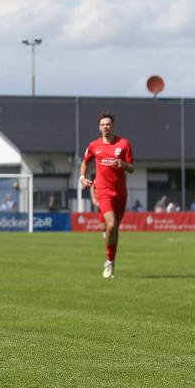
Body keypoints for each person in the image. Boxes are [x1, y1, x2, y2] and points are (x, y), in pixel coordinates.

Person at [80, 111, 134, 279]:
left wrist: (123, 164)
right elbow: (85, 162)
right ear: (99, 127)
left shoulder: (124, 144)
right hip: (103, 191)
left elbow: (132, 169)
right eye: (103, 125)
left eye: (108, 124)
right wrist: (82, 177)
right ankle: (109, 263)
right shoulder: (94, 145)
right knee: (110, 225)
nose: (105, 127)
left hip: (120, 193)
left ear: (113, 126)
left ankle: (111, 260)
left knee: (114, 229)